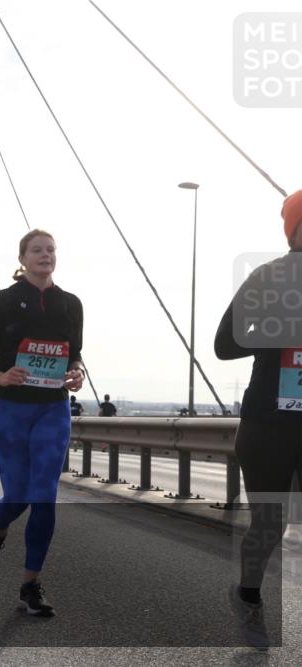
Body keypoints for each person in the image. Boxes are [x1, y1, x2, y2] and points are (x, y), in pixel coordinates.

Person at [0, 229, 85, 617]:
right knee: (17, 495)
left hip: (52, 408)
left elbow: (76, 355)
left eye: (51, 249)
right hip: (9, 408)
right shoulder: (2, 302)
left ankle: (30, 584)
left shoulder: (70, 304)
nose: (45, 255)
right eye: (37, 250)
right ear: (22, 259)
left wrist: (77, 373)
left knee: (44, 495)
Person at [215, 189, 302, 650]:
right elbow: (224, 344)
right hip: (270, 422)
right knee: (271, 522)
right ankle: (248, 595)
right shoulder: (268, 277)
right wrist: (281, 331)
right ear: (295, 229)